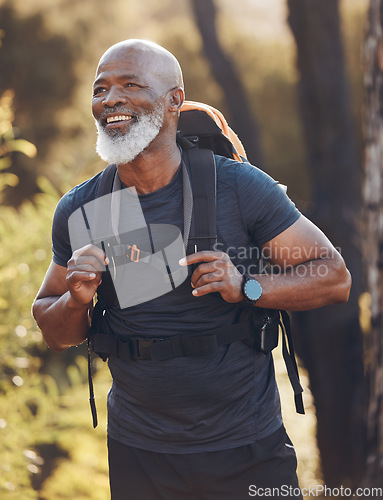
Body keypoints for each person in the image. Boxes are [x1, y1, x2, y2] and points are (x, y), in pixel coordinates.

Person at [32, 39, 351, 500]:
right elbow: (53, 330)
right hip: (139, 453)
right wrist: (75, 300)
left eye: (130, 84)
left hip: (246, 447)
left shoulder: (238, 187)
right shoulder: (84, 208)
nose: (110, 99)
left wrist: (249, 287)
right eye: (100, 90)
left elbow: (334, 276)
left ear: (174, 100)